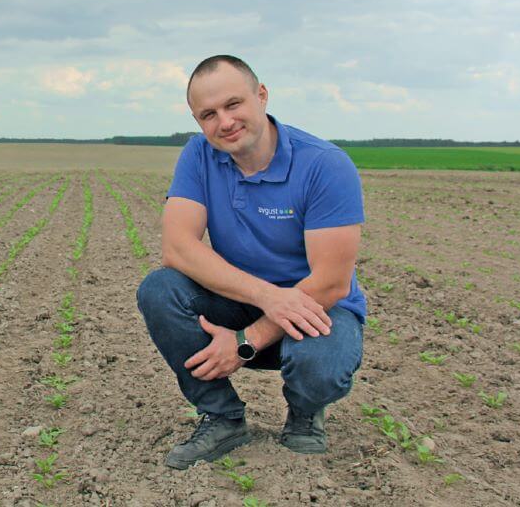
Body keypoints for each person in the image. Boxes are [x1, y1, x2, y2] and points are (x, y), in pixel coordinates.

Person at [137, 55, 366, 469]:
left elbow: (331, 283)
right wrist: (268, 298)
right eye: (208, 115)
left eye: (233, 104)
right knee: (160, 289)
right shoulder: (200, 155)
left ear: (261, 95)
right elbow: (178, 248)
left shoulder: (324, 165)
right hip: (243, 301)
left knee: (322, 365)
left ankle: (305, 412)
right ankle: (222, 417)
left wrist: (245, 344)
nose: (224, 122)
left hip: (315, 308)